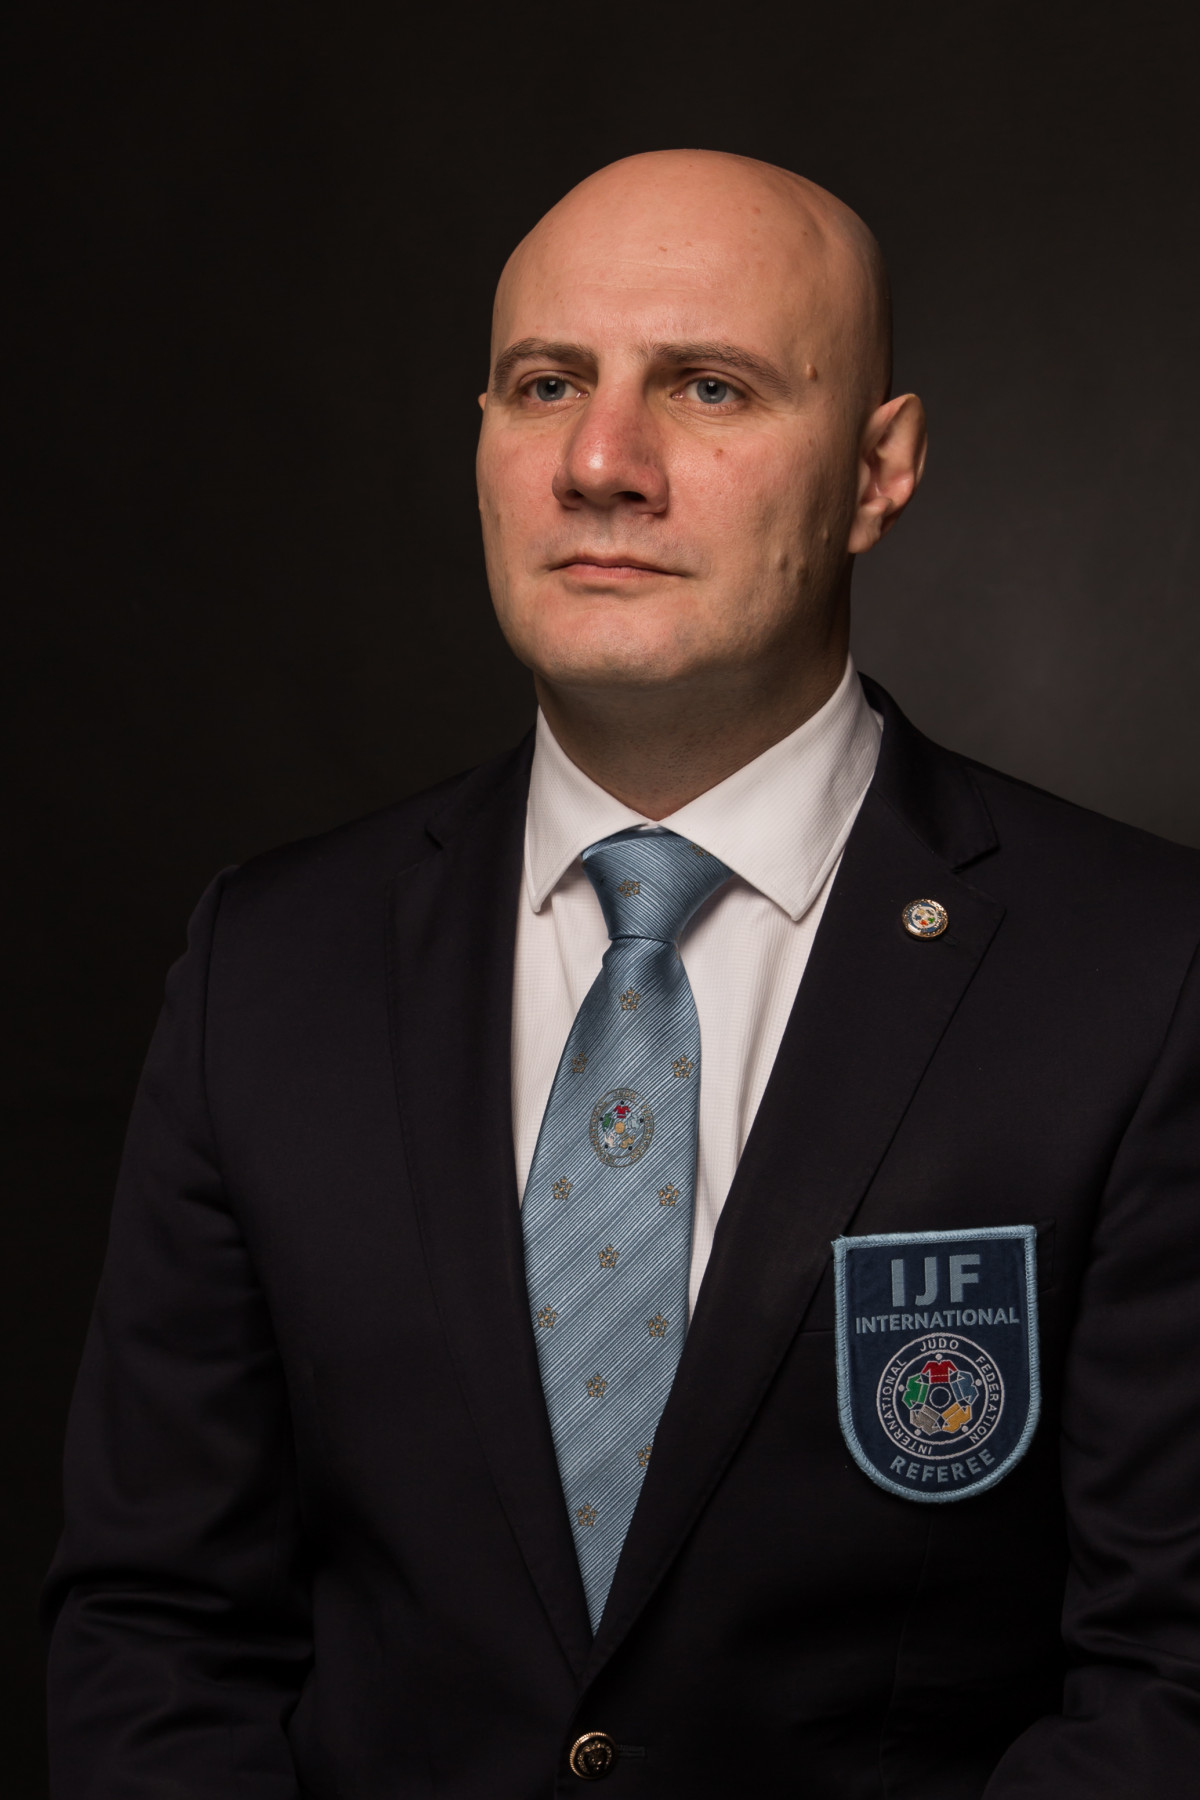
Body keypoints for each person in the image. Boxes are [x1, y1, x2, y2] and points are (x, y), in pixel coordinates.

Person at [43, 150, 1200, 1797]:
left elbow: (1171, 1675)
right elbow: (159, 1634)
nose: (601, 463)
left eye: (709, 387)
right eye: (545, 385)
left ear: (878, 471)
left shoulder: (1145, 974)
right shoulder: (269, 967)